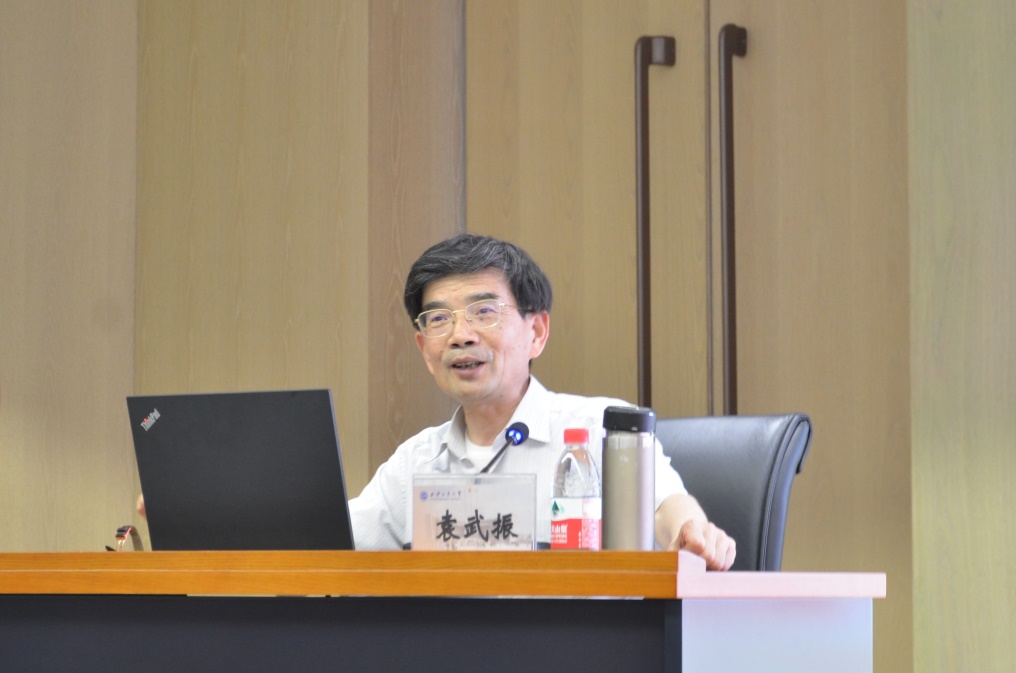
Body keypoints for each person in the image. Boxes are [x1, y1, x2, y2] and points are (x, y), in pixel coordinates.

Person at [348, 233, 736, 570]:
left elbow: (665, 508)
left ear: (536, 332)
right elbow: (334, 542)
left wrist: (692, 532)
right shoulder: (415, 462)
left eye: (484, 312)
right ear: (424, 349)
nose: (460, 335)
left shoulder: (602, 430)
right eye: (438, 319)